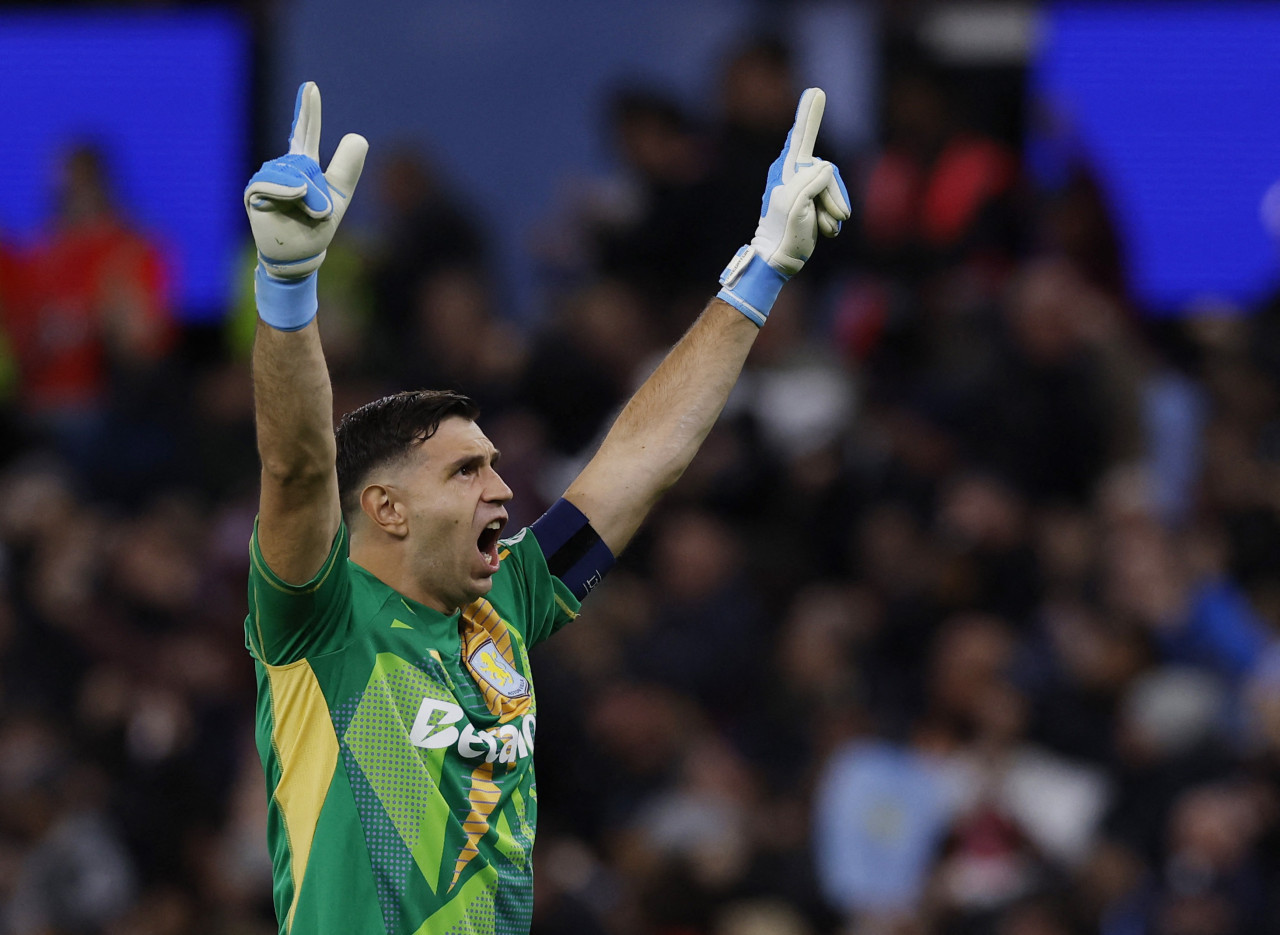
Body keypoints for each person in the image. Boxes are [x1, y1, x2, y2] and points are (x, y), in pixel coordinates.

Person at [242, 81, 849, 935]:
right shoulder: (319, 621)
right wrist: (288, 290)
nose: (499, 489)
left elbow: (639, 459)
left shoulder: (508, 605)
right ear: (385, 508)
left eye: (494, 466)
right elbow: (300, 468)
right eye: (464, 472)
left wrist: (762, 270)